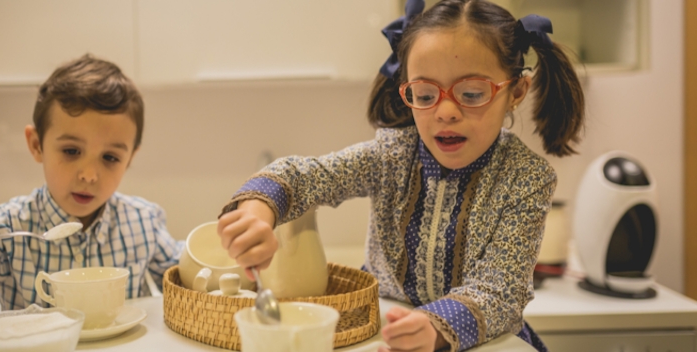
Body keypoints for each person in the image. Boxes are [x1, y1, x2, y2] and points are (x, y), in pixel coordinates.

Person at [216, 0, 583, 350]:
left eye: (472, 94)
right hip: (386, 334)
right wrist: (255, 213)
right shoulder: (392, 155)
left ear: (516, 91)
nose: (446, 111)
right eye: (425, 95)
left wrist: (434, 327)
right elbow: (303, 176)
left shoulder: (526, 179)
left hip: (481, 341)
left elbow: (499, 292)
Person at [0, 54, 184, 310]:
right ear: (36, 145)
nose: (89, 175)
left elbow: (188, 274)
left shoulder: (144, 221)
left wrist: (223, 249)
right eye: (71, 151)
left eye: (110, 157)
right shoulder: (4, 228)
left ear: (130, 158)